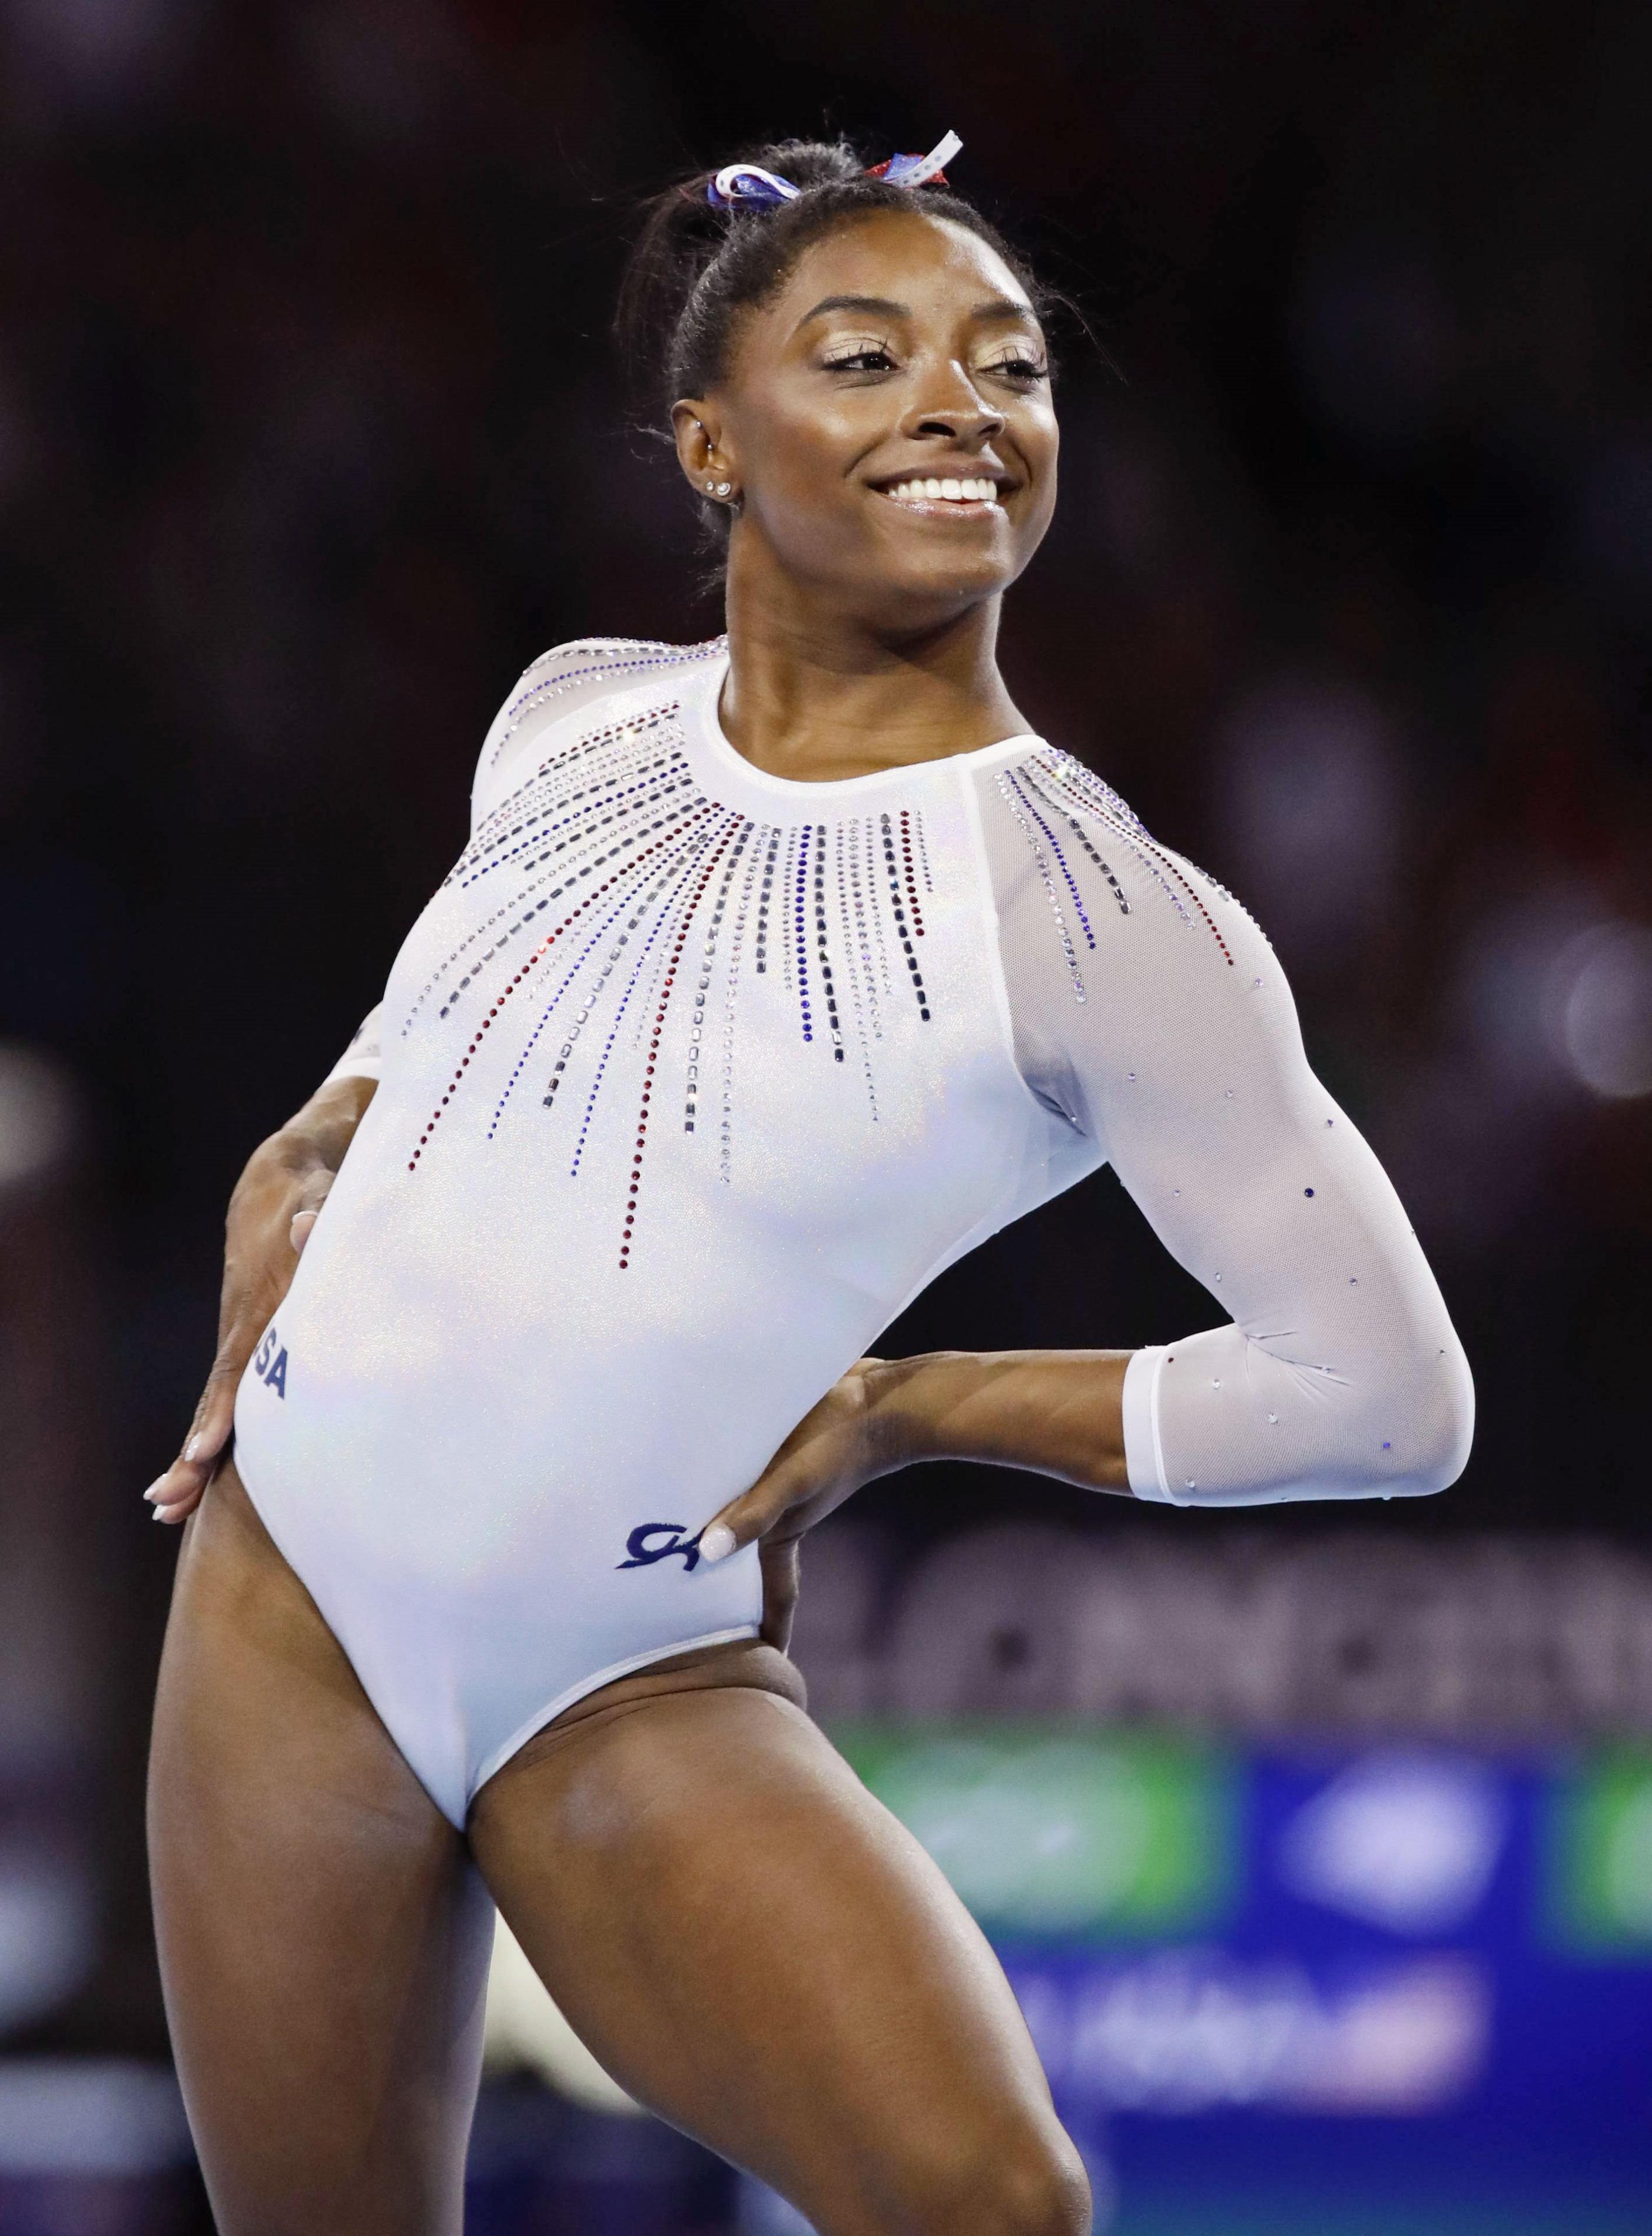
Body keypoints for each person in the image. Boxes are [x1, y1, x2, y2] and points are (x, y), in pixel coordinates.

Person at [144, 134, 1473, 2236]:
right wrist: (292, 1155)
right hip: (284, 1603)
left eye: (1010, 368)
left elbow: (1391, 1400)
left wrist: (909, 1407)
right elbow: (410, 1059)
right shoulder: (572, 718)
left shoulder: (1104, 914)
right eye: (869, 356)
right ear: (708, 441)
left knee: (994, 2207)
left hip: (621, 1676)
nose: (963, 402)